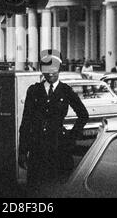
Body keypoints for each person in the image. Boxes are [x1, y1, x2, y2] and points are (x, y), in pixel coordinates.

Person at [18, 51, 89, 196]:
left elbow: (83, 115)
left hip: (59, 148)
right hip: (37, 148)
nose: (50, 74)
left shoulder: (66, 91)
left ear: (59, 70)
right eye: (46, 71)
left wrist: (71, 137)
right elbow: (26, 122)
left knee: (58, 188)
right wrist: (23, 151)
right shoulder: (34, 91)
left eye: (53, 71)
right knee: (35, 190)